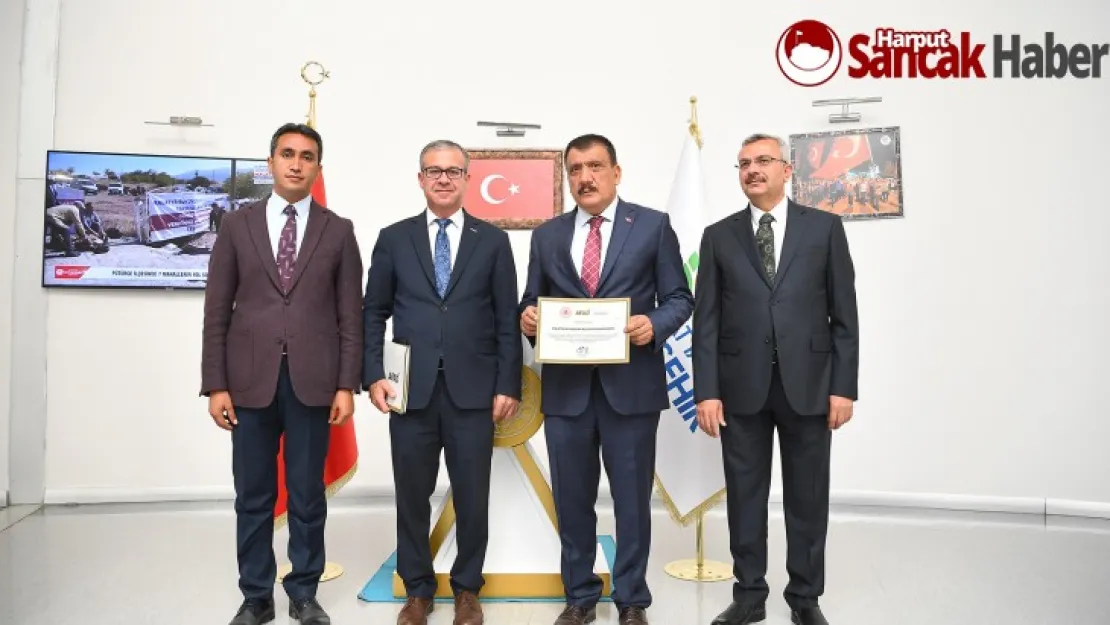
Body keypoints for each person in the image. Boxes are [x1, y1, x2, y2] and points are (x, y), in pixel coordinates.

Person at [519, 134, 693, 625]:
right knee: (572, 501)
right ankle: (580, 597)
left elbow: (680, 298)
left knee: (632, 502)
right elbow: (530, 299)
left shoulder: (652, 226)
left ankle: (631, 599)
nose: (585, 177)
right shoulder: (547, 236)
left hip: (631, 390)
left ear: (616, 172)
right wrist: (527, 318)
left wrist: (653, 324)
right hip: (566, 393)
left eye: (595, 166)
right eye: (575, 169)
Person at [691, 133, 859, 625]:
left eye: (763, 160)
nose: (752, 170)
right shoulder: (718, 236)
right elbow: (706, 322)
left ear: (787, 170)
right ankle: (749, 596)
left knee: (808, 497)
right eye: (743, 163)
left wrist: (843, 387)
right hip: (740, 388)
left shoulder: (824, 228)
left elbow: (844, 316)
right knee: (745, 498)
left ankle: (805, 598)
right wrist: (707, 391)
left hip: (810, 385)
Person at [200, 122, 364, 625]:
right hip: (248, 383)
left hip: (314, 384)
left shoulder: (339, 230)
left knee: (307, 495)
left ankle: (303, 593)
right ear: (270, 162)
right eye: (287, 154)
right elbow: (217, 310)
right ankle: (256, 596)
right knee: (253, 495)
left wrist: (346, 384)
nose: (296, 163)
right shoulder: (237, 225)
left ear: (318, 167)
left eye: (307, 156)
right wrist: (216, 384)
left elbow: (350, 315)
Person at [362, 139, 522, 625]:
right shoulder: (394, 238)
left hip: (474, 393)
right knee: (412, 496)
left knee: (472, 496)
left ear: (468, 179)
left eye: (453, 171)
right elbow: (373, 313)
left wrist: (508, 384)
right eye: (434, 171)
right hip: (409, 393)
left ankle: (468, 589)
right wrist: (372, 374)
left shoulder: (492, 241)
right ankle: (418, 590)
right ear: (420, 179)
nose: (444, 179)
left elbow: (506, 320)